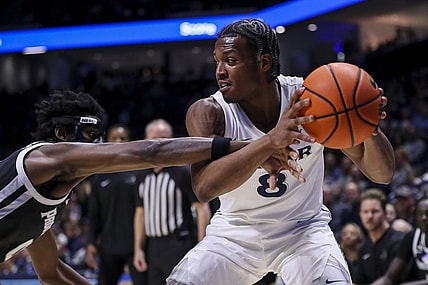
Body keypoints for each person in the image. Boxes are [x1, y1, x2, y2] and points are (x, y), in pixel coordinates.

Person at [166, 18, 395, 285]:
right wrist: (270, 142)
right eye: (216, 61)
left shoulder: (311, 100)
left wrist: (368, 126)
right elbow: (204, 188)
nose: (219, 71)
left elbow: (382, 174)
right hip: (234, 235)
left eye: (230, 61)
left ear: (263, 63)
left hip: (303, 232)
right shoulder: (209, 112)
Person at [0, 90, 310, 284]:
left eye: (101, 135)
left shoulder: (46, 205)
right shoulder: (42, 157)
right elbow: (152, 152)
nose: (99, 145)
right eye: (91, 133)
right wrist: (258, 146)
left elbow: (51, 272)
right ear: (62, 132)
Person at [133, 119, 211, 284]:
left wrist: (202, 247)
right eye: (155, 138)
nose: (159, 142)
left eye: (164, 138)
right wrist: (138, 249)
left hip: (178, 243)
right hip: (153, 246)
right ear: (146, 140)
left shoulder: (182, 172)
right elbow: (140, 214)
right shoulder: (141, 175)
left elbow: (202, 208)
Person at [85, 123, 147, 285]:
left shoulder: (140, 171)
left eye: (122, 138)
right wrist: (90, 243)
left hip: (138, 246)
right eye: (114, 138)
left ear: (130, 141)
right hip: (108, 247)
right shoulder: (100, 176)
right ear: (107, 141)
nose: (118, 141)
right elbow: (93, 215)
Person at [352, 189, 404, 284]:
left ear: (385, 213)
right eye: (365, 211)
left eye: (375, 211)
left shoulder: (399, 241)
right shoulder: (363, 247)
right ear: (360, 214)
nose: (370, 216)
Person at [372, 197, 428, 285]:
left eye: (427, 214)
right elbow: (389, 277)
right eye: (420, 214)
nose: (424, 218)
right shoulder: (412, 237)